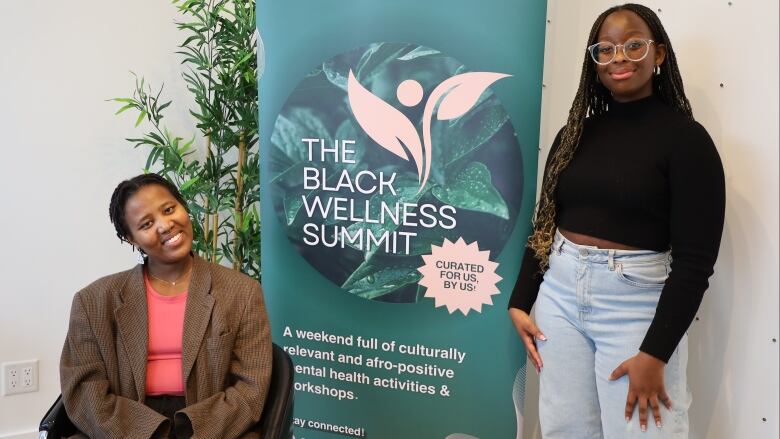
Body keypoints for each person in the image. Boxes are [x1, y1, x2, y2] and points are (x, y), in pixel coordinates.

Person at [508, 4, 725, 438]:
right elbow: (547, 222)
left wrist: (656, 352)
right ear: (594, 62)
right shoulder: (575, 134)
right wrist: (521, 298)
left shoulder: (687, 141)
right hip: (560, 301)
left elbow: (695, 263)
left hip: (636, 308)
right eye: (605, 49)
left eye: (633, 45)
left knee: (641, 430)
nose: (619, 57)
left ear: (658, 54)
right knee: (565, 429)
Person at [60, 173, 272, 438]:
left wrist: (193, 430)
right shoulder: (92, 302)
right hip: (126, 425)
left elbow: (251, 388)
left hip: (212, 424)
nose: (165, 225)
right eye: (147, 223)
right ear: (130, 238)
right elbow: (84, 391)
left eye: (169, 209)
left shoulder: (242, 292)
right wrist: (145, 431)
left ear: (183, 207)